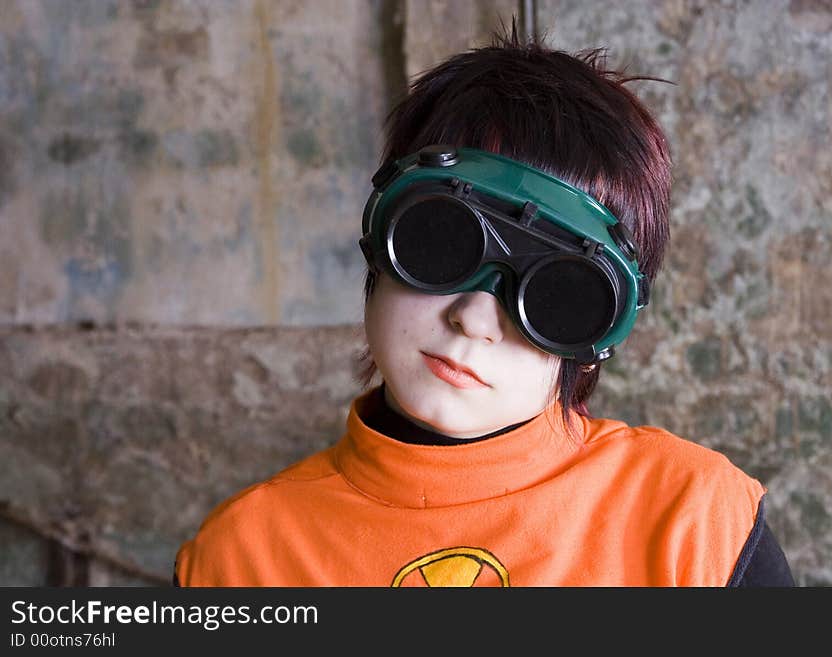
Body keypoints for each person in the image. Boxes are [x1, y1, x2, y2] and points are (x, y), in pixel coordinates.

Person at [174, 21, 795, 587]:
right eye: (444, 241)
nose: (473, 318)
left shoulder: (698, 524)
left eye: (555, 291)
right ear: (383, 233)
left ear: (596, 329)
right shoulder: (238, 560)